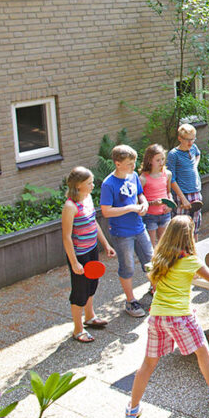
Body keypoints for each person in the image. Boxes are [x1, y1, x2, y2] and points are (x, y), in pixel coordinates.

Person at [123, 216, 209, 418]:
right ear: (188, 237)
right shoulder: (190, 261)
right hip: (180, 317)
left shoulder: (159, 258)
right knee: (202, 350)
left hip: (157, 317)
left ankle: (132, 409)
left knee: (148, 364)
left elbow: (161, 281)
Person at [61, 167, 116, 343]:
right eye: (89, 183)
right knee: (79, 291)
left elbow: (93, 224)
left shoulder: (88, 198)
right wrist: (75, 262)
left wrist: (105, 244)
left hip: (91, 249)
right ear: (78, 185)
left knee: (92, 284)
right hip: (79, 255)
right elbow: (67, 237)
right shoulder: (70, 206)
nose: (93, 185)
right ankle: (78, 330)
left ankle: (90, 317)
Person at [100, 145, 152, 318]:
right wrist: (130, 208)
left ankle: (157, 291)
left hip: (139, 226)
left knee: (150, 260)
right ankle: (130, 301)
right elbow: (106, 211)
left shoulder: (134, 176)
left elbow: (140, 194)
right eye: (129, 163)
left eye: (134, 162)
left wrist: (143, 203)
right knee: (127, 266)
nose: (133, 166)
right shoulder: (108, 184)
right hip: (122, 232)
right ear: (117, 163)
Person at [140, 144, 188, 246]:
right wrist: (153, 203)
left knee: (165, 243)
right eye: (158, 160)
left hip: (165, 213)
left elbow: (168, 192)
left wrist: (170, 204)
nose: (161, 162)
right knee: (151, 245)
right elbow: (139, 199)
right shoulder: (143, 178)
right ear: (149, 160)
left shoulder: (168, 174)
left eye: (163, 159)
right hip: (150, 215)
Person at [167, 124, 203, 233]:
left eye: (193, 139)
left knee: (195, 226)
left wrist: (195, 165)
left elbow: (198, 154)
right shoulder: (173, 154)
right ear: (180, 138)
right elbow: (171, 179)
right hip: (182, 194)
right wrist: (182, 198)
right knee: (180, 228)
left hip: (196, 191)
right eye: (187, 140)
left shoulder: (193, 148)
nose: (190, 143)